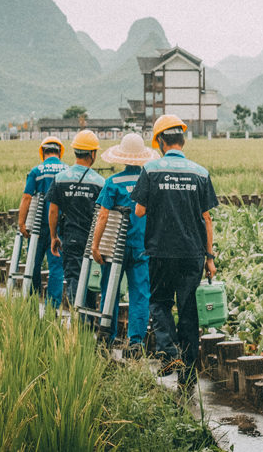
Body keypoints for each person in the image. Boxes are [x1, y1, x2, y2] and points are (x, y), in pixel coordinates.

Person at [131, 115, 218, 386]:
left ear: (159, 141)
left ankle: (169, 353)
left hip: (161, 251)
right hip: (193, 253)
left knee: (159, 303)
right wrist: (210, 257)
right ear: (183, 139)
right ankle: (188, 373)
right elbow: (206, 219)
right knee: (189, 311)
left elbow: (140, 210)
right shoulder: (200, 172)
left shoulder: (150, 169)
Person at [91, 133, 160, 357]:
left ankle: (106, 337)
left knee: (110, 289)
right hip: (142, 247)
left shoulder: (113, 182)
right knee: (140, 294)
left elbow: (102, 217)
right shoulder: (150, 181)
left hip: (114, 247)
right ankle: (135, 343)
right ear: (142, 157)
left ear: (123, 157)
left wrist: (95, 245)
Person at [47, 130, 105, 306]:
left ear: (75, 151)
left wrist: (53, 236)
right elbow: (103, 214)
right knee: (91, 279)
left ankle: (78, 319)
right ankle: (88, 321)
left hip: (70, 238)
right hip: (92, 239)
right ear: (93, 154)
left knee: (73, 276)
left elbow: (53, 212)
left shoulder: (60, 179)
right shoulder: (100, 182)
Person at [19, 137, 69, 307]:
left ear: (43, 152)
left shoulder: (36, 171)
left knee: (34, 262)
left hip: (38, 228)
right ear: (60, 152)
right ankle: (52, 306)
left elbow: (27, 197)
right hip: (60, 228)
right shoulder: (67, 170)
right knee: (56, 267)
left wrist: (21, 223)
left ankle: (33, 300)